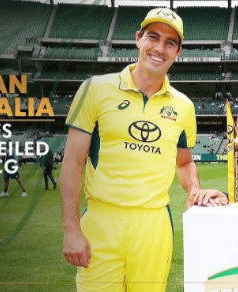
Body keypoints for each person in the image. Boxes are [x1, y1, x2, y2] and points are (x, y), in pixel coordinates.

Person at [60, 7, 225, 292]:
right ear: (138, 39)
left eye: (170, 42)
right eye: (153, 37)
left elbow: (184, 163)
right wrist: (71, 229)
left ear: (178, 52)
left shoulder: (184, 106)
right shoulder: (95, 89)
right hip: (102, 222)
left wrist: (194, 188)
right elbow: (73, 162)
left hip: (154, 226)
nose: (160, 48)